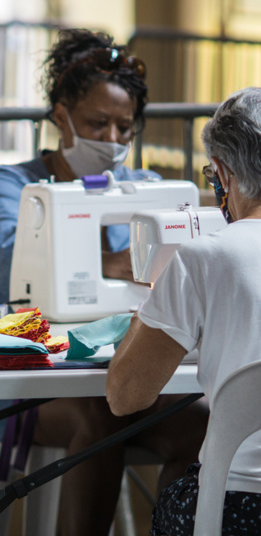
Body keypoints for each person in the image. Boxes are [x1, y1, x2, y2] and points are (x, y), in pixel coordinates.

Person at [0, 29, 208, 535]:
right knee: (101, 413)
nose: (111, 141)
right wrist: (115, 262)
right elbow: (5, 269)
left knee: (205, 424)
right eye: (97, 123)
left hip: (125, 373)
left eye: (125, 128)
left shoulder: (146, 191)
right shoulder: (10, 186)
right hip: (25, 382)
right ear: (61, 116)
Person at [107, 86, 261, 535]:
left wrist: (154, 302)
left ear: (223, 175)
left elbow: (125, 396)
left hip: (238, 510)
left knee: (180, 495)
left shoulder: (205, 257)